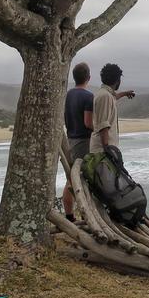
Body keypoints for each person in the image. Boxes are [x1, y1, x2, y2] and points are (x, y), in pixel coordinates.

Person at [62, 62, 93, 222]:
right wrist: (99, 128)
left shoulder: (68, 95)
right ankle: (86, 215)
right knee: (80, 178)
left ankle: (69, 215)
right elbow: (88, 123)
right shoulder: (88, 97)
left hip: (70, 138)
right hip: (84, 140)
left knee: (71, 176)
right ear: (89, 77)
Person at [90, 63, 135, 153]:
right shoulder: (105, 96)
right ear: (117, 80)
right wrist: (108, 151)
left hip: (104, 150)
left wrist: (124, 94)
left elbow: (113, 98)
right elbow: (103, 126)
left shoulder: (106, 94)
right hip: (102, 152)